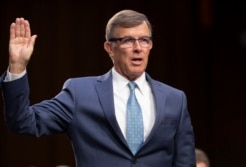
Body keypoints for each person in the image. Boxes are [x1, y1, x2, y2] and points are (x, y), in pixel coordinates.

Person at [0, 9, 196, 167]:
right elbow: (23, 122)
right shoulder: (80, 93)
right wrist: (17, 66)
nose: (138, 48)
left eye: (144, 40)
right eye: (127, 40)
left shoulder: (175, 99)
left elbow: (185, 162)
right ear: (109, 48)